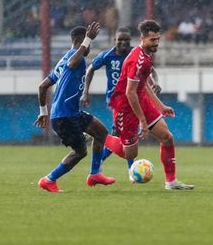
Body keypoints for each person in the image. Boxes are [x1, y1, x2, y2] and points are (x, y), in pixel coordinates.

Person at [107, 20, 194, 190]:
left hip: (141, 101)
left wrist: (160, 106)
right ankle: (101, 137)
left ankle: (171, 182)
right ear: (142, 38)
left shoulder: (146, 55)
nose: (156, 43)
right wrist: (143, 121)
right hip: (126, 106)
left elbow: (144, 84)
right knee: (130, 153)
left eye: (158, 39)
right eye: (152, 40)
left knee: (167, 137)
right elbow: (129, 92)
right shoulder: (137, 59)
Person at [34, 22, 115, 192]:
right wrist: (88, 39)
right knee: (80, 152)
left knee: (101, 132)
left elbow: (43, 86)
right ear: (80, 40)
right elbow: (72, 63)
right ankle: (49, 180)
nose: (88, 48)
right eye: (87, 43)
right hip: (64, 116)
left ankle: (95, 174)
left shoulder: (62, 62)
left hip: (72, 113)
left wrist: (43, 112)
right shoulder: (73, 58)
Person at [81, 27, 162, 181]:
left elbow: (151, 71)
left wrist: (155, 83)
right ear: (115, 40)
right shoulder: (107, 55)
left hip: (134, 99)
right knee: (122, 135)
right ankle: (103, 165)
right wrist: (85, 92)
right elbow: (90, 68)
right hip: (118, 100)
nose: (123, 42)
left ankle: (105, 164)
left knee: (127, 135)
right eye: (120, 39)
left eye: (126, 40)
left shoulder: (135, 54)